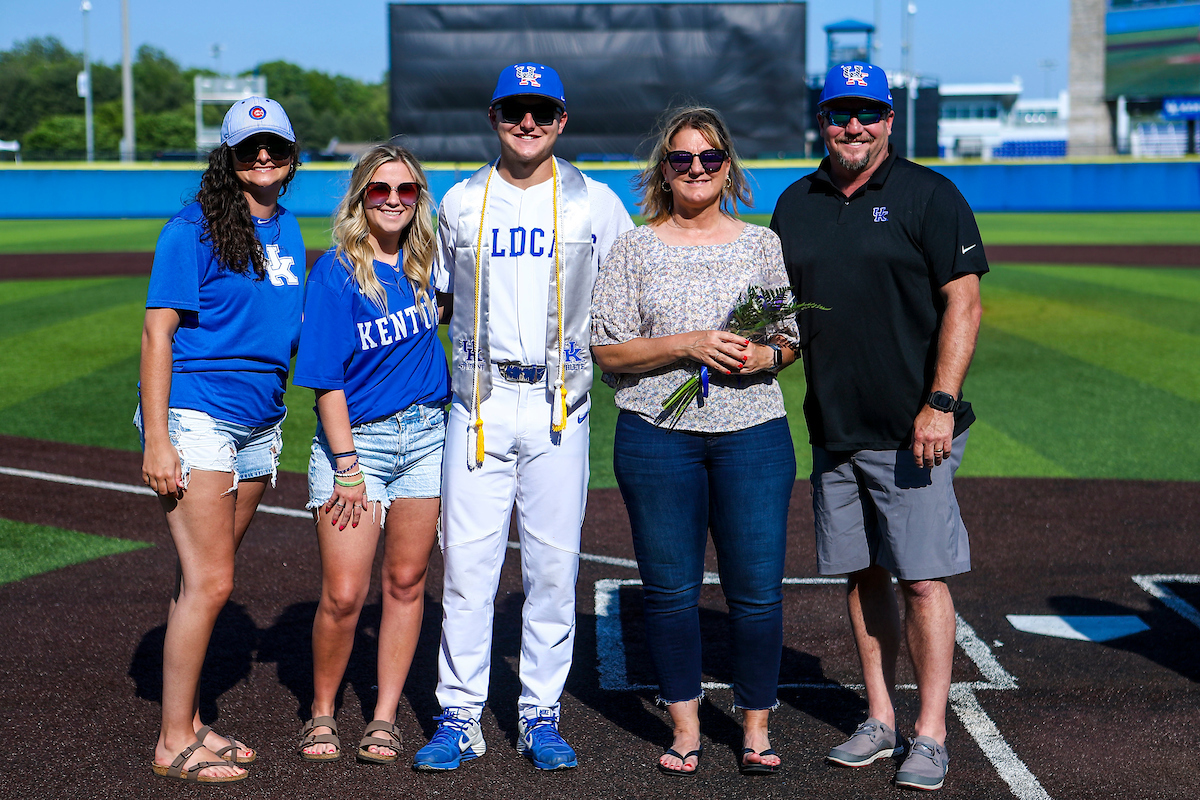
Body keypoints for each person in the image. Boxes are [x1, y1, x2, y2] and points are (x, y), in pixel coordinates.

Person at [769, 61, 987, 792]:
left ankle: (929, 732)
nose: (852, 126)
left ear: (890, 120)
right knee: (862, 577)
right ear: (821, 121)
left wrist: (941, 402)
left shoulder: (930, 194)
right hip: (834, 430)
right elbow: (787, 323)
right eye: (839, 113)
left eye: (866, 113)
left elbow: (964, 303)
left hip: (913, 430)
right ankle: (879, 717)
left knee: (922, 581)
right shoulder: (795, 204)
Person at [411, 62, 634, 772]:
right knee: (468, 572)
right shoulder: (460, 202)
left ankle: (540, 713)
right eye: (515, 111)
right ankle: (459, 715)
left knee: (550, 569)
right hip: (475, 406)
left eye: (542, 111)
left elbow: (634, 287)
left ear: (562, 119)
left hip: (558, 407)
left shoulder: (595, 203)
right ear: (494, 116)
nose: (528, 123)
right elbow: (432, 303)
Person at [591, 106, 798, 777]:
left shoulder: (760, 244)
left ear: (728, 167)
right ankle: (685, 727)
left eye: (709, 158)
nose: (697, 170)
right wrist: (689, 344)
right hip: (657, 438)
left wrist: (763, 358)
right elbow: (609, 351)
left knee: (758, 591)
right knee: (671, 592)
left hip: (753, 436)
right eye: (682, 159)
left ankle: (756, 729)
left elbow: (787, 339)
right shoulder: (634, 247)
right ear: (665, 170)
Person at [138, 97, 304, 783]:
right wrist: (158, 442)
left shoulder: (290, 229)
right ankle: (172, 741)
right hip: (198, 414)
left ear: (292, 154)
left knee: (198, 582)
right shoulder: (191, 230)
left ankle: (194, 724)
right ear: (228, 158)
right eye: (248, 149)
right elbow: (158, 334)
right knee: (213, 581)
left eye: (274, 147)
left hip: (260, 422)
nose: (263, 158)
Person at [292, 144, 450, 765]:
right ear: (361, 198)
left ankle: (383, 716)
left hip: (428, 438)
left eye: (405, 191)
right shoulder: (336, 271)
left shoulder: (427, 264)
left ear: (418, 201)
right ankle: (323, 711)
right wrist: (347, 466)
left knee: (407, 583)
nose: (392, 200)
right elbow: (326, 381)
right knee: (345, 593)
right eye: (380, 190)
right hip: (358, 444)